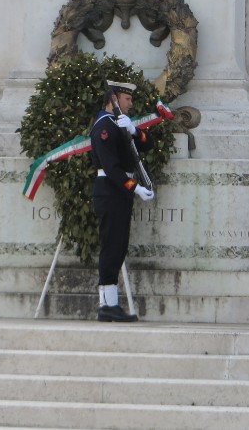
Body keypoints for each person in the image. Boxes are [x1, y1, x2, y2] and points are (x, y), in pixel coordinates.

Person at [89, 80, 156, 322]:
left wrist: (135, 131)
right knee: (112, 246)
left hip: (118, 192)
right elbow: (111, 167)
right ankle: (107, 305)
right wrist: (135, 187)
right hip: (110, 189)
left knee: (118, 246)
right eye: (127, 99)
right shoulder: (103, 127)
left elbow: (149, 145)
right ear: (114, 100)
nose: (131, 104)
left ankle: (110, 304)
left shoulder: (119, 124)